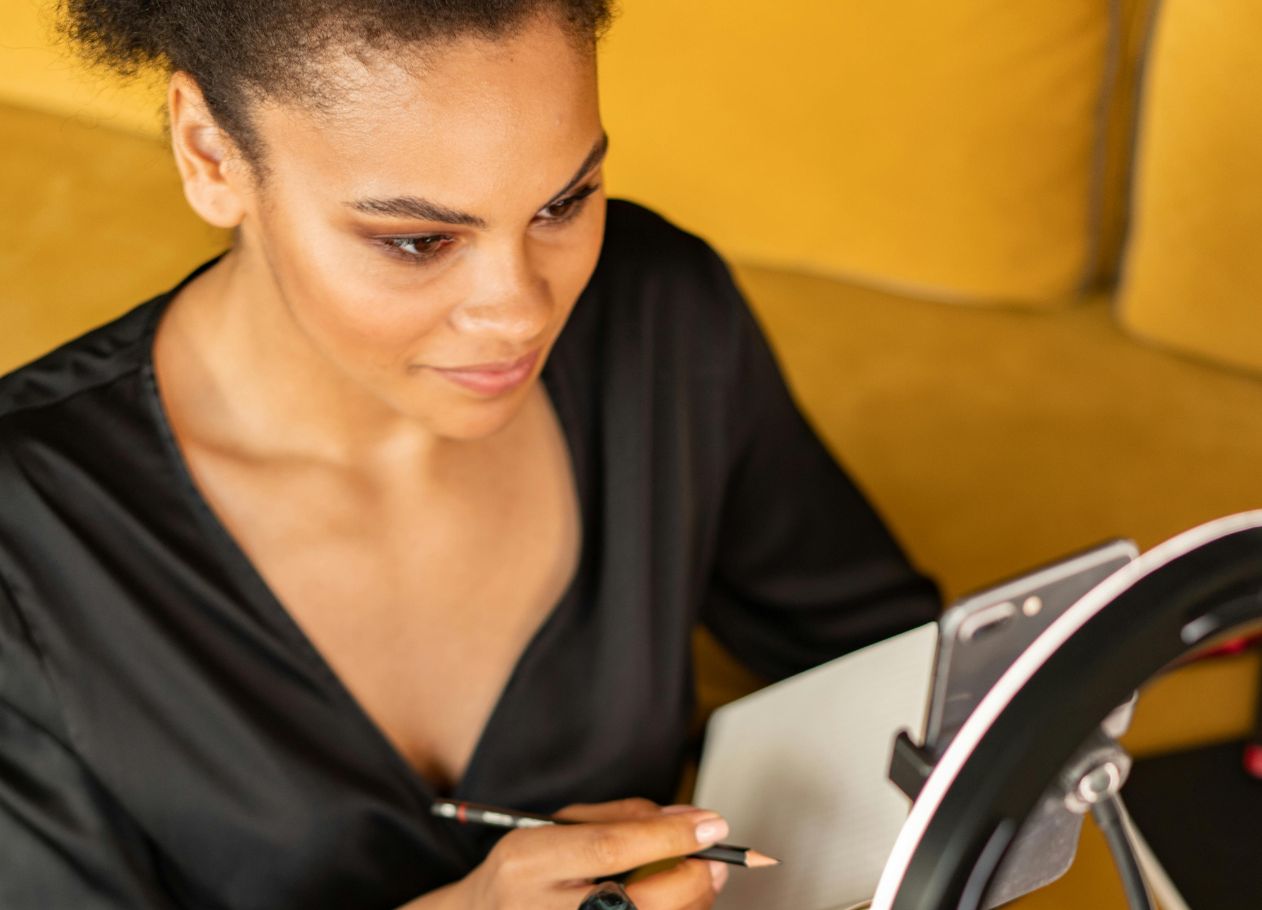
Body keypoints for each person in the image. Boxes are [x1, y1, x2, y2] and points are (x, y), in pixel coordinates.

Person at [0, 1, 941, 907]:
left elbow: (891, 670)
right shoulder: (23, 548)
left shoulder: (662, 317)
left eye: (565, 202)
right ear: (210, 154)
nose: (521, 312)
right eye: (416, 240)